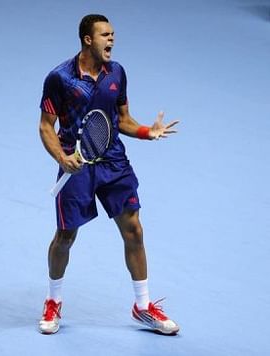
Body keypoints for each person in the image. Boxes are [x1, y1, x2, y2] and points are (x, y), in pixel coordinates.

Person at [38, 14, 180, 335]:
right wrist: (62, 157)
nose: (112, 40)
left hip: (113, 160)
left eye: (113, 34)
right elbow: (46, 127)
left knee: (134, 229)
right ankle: (53, 301)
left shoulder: (117, 73)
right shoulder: (60, 78)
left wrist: (147, 131)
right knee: (65, 237)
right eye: (105, 35)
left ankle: (142, 307)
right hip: (76, 162)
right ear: (88, 40)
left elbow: (122, 119)